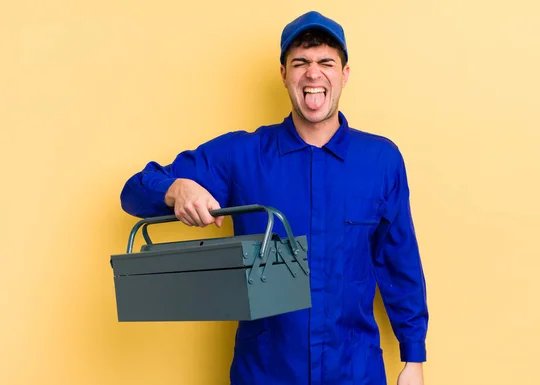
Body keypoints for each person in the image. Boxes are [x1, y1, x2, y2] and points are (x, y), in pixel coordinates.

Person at [120, 10, 429, 385]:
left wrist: (413, 357)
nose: (313, 73)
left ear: (344, 74)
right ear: (284, 74)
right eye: (300, 62)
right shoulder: (241, 156)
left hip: (354, 372)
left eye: (326, 62)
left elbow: (399, 261)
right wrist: (175, 189)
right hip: (265, 373)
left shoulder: (381, 160)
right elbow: (134, 190)